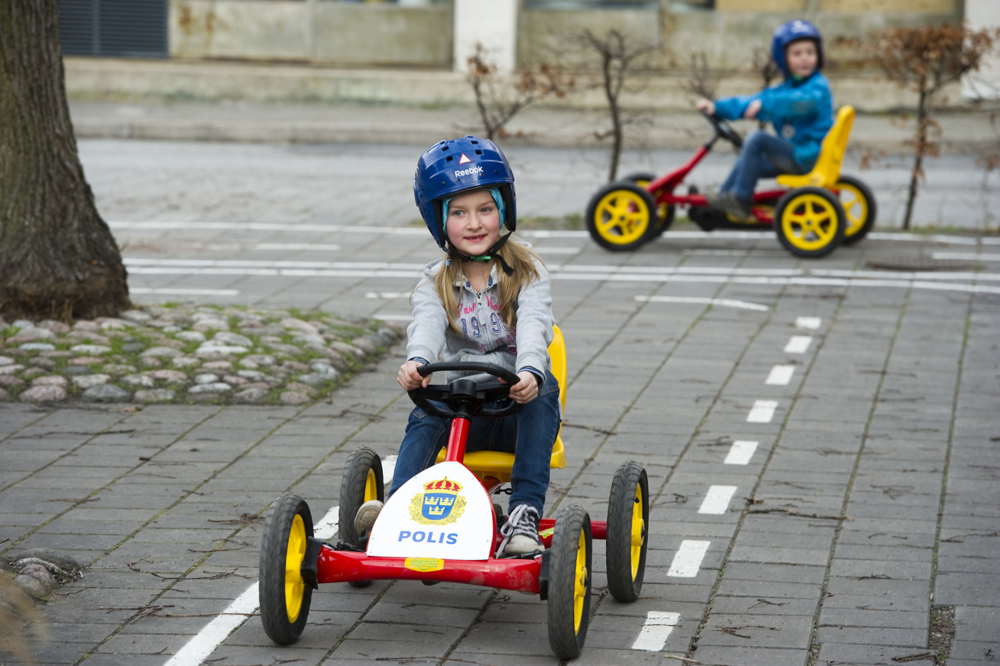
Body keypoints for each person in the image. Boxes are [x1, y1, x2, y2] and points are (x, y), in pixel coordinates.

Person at [354, 135, 562, 557]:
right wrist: (417, 363)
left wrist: (529, 373)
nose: (474, 223)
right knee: (426, 408)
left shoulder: (528, 272)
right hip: (463, 412)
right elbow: (426, 326)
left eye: (485, 209)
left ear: (503, 209)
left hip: (514, 413)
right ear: (439, 221)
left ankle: (524, 514)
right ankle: (398, 506)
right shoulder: (436, 279)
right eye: (459, 212)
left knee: (543, 392)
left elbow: (536, 326)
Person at [696, 19, 834, 219]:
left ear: (818, 55)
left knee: (757, 139)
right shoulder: (785, 89)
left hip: (806, 156)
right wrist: (717, 107)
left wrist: (766, 105)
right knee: (748, 159)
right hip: (797, 154)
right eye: (797, 54)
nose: (805, 58)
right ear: (783, 58)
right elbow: (752, 101)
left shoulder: (817, 87)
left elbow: (801, 102)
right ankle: (723, 201)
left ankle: (741, 200)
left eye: (810, 52)